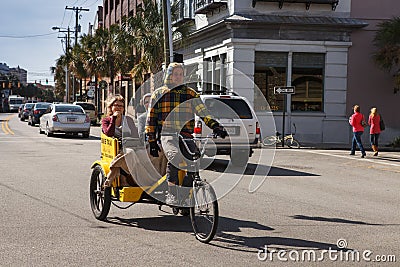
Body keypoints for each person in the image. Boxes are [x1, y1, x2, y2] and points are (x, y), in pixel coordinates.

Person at [145, 62, 227, 205]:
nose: (178, 77)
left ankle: (186, 192)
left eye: (181, 74)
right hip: (167, 134)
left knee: (194, 158)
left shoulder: (190, 94)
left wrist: (215, 126)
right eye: (175, 74)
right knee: (175, 156)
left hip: (186, 134)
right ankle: (171, 194)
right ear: (169, 76)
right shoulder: (159, 93)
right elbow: (151, 118)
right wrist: (152, 140)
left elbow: (203, 112)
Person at [102, 94, 139, 187]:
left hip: (129, 145)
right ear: (111, 107)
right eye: (116, 105)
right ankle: (117, 178)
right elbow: (109, 133)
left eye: (121, 106)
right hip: (116, 147)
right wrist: (114, 118)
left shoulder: (128, 120)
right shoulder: (106, 120)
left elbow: (135, 135)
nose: (118, 108)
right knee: (128, 153)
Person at [137, 92, 167, 176]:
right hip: (149, 143)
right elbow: (141, 135)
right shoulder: (142, 118)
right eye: (146, 102)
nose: (149, 104)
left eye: (151, 101)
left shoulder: (162, 115)